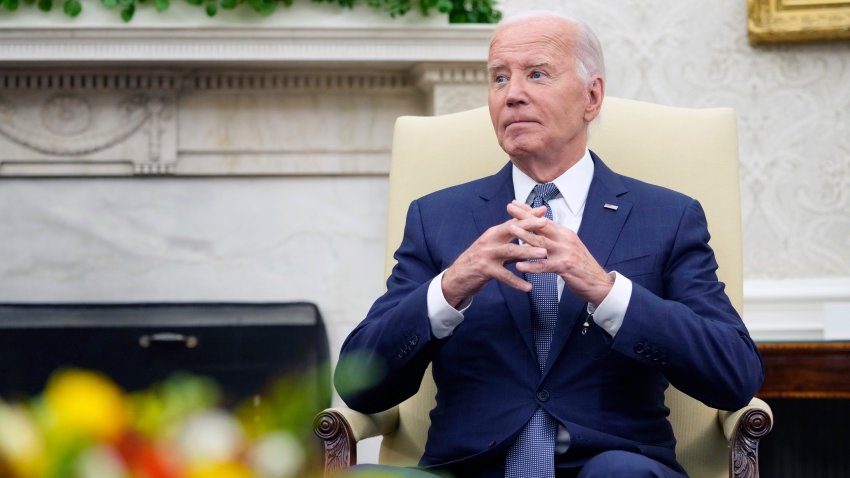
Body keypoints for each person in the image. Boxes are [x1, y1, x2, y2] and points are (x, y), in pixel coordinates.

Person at [335, 10, 764, 478]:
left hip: (611, 468)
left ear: (592, 96)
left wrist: (606, 290)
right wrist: (450, 286)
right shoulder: (437, 217)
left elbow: (734, 375)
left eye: (536, 74)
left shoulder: (667, 217)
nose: (513, 94)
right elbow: (360, 383)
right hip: (470, 466)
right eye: (499, 78)